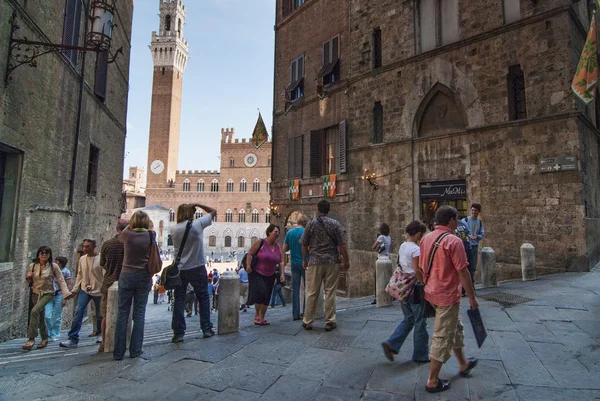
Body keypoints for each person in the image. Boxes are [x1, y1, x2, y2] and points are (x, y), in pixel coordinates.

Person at [417, 205, 479, 393]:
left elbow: (419, 269)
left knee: (455, 327)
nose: (458, 221)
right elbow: (463, 271)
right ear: (451, 220)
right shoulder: (454, 241)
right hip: (447, 295)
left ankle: (463, 363)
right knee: (443, 336)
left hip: (431, 293)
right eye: (457, 218)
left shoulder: (425, 238)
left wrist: (428, 283)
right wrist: (472, 298)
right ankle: (432, 381)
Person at [381, 221, 429, 363]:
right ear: (419, 234)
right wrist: (425, 282)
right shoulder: (416, 250)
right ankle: (420, 355)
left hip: (402, 288)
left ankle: (391, 344)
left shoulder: (403, 246)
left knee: (409, 318)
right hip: (413, 289)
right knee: (420, 321)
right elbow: (417, 271)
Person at [170, 203, 216, 343]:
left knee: (179, 299)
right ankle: (206, 329)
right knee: (203, 298)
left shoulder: (174, 229)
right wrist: (198, 204)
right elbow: (213, 210)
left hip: (181, 269)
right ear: (191, 212)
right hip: (197, 267)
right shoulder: (197, 224)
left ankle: (178, 333)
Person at [301, 200, 350, 332]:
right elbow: (342, 245)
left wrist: (305, 259)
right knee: (330, 292)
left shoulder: (310, 224)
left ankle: (308, 321)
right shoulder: (335, 224)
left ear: (318, 209)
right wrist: (346, 261)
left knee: (312, 291)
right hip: (332, 261)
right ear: (328, 210)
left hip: (315, 261)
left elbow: (304, 244)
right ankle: (330, 321)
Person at [113, 211, 154, 360]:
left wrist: (130, 224)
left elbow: (119, 237)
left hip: (126, 275)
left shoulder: (127, 234)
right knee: (139, 313)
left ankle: (118, 352)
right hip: (144, 276)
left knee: (122, 313)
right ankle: (135, 350)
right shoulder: (150, 235)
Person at [24, 247, 72, 350]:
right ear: (38, 254)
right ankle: (45, 338)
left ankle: (31, 338)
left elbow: (61, 279)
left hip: (48, 293)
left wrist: (66, 294)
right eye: (42, 253)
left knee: (34, 311)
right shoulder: (32, 266)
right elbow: (29, 282)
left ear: (50, 255)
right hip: (35, 293)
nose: (44, 255)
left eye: (46, 253)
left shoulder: (53, 266)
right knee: (41, 316)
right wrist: (28, 277)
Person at [60, 239, 103, 349]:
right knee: (78, 312)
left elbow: (105, 274)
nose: (84, 249)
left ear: (94, 246)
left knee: (100, 314)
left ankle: (101, 334)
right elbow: (79, 275)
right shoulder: (82, 259)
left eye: (87, 246)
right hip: (85, 289)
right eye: (83, 246)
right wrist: (74, 290)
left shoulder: (101, 258)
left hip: (98, 290)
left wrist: (105, 289)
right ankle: (72, 339)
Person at [246, 224, 286, 325]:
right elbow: (250, 253)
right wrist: (248, 265)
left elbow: (281, 261)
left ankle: (262, 317)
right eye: (275, 232)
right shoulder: (261, 242)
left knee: (267, 296)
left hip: (271, 274)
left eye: (278, 232)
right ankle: (257, 315)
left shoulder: (278, 247)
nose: (277, 234)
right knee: (261, 293)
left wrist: (282, 274)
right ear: (269, 232)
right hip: (258, 273)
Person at [98, 218, 128, 352]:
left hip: (109, 281)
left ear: (117, 228)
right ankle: (124, 342)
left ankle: (105, 342)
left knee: (105, 315)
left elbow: (102, 263)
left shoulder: (107, 244)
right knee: (126, 313)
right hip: (126, 280)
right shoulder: (129, 244)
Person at [283, 215, 308, 321]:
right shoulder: (306, 232)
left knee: (295, 289)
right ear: (305, 223)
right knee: (308, 289)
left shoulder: (289, 233)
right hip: (306, 263)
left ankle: (296, 314)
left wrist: (292, 246)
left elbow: (284, 249)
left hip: (294, 263)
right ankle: (306, 312)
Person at [44, 256, 72, 341]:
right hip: (49, 294)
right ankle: (49, 332)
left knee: (57, 316)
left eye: (58, 262)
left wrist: (65, 298)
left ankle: (55, 334)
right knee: (47, 316)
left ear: (61, 264)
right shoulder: (51, 270)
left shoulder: (66, 272)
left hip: (59, 295)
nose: (55, 263)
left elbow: (68, 285)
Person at [462, 203, 484, 287]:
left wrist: (476, 236)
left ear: (479, 212)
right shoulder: (465, 220)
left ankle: (472, 284)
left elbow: (482, 234)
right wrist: (468, 235)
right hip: (466, 246)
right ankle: (465, 286)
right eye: (472, 210)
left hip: (474, 246)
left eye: (476, 211)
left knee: (473, 266)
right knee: (465, 265)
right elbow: (461, 232)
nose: (474, 212)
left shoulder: (480, 223)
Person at [371, 223, 391, 304]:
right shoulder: (389, 237)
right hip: (388, 258)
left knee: (377, 278)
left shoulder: (381, 237)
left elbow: (374, 246)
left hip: (380, 259)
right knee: (387, 278)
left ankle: (377, 297)